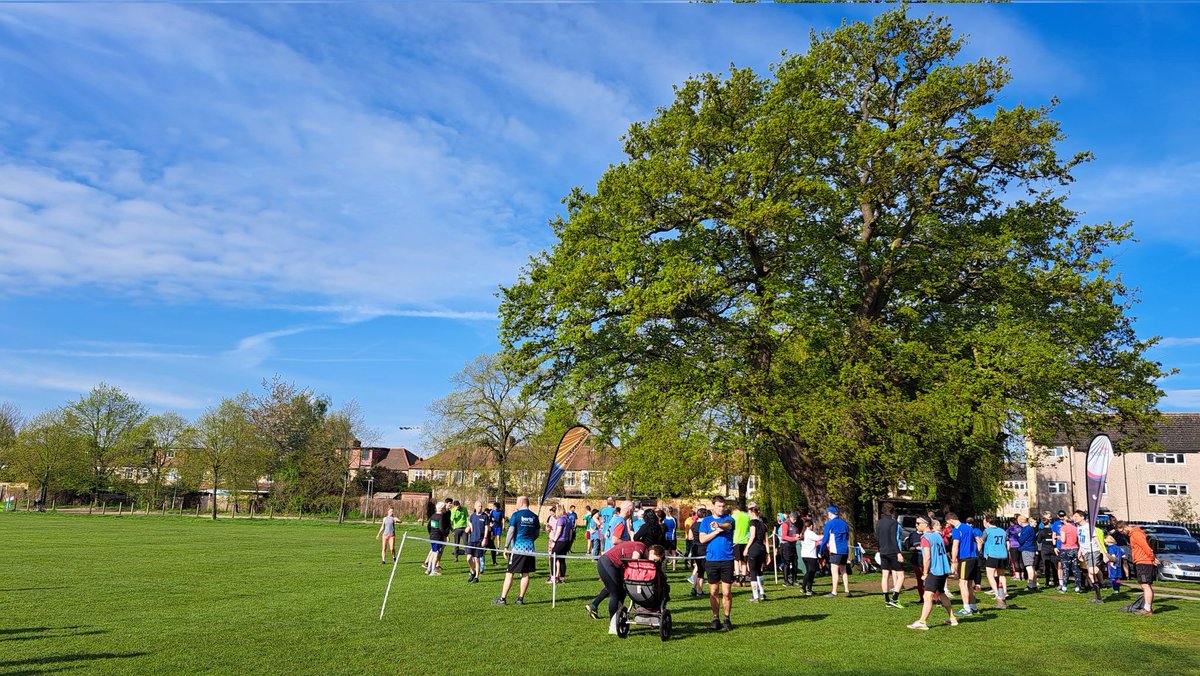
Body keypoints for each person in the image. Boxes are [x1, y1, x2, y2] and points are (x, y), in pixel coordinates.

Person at [585, 539, 666, 634]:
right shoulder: (641, 546)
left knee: (622, 592)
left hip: (615, 567)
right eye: (655, 560)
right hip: (607, 563)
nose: (654, 562)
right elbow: (634, 560)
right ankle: (613, 625)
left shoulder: (645, 553)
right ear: (651, 551)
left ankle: (618, 621)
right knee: (615, 593)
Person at [907, 516, 958, 630]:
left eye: (918, 523)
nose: (916, 525)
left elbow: (927, 557)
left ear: (925, 524)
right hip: (943, 569)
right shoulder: (937, 535)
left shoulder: (925, 537)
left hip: (935, 570)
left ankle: (922, 622)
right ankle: (952, 618)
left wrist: (925, 573)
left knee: (927, 596)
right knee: (941, 593)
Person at [493, 495, 540, 606]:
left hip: (518, 548)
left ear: (522, 503)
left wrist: (505, 547)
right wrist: (530, 540)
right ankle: (520, 599)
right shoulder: (534, 516)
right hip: (530, 549)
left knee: (509, 573)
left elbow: (511, 532)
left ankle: (502, 599)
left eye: (517, 502)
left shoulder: (516, 515)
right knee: (525, 573)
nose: (516, 504)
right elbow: (537, 533)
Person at [699, 496, 736, 630]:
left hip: (727, 559)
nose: (721, 509)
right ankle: (715, 618)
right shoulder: (706, 521)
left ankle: (727, 618)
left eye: (723, 506)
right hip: (712, 560)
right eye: (719, 506)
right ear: (713, 506)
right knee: (714, 591)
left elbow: (728, 526)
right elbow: (702, 539)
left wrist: (719, 525)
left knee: (726, 592)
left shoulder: (729, 518)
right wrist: (716, 532)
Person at [1116, 520, 1158, 615]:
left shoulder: (1136, 534)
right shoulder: (1133, 534)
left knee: (1145, 585)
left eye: (1122, 531)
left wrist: (1152, 558)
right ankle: (1146, 607)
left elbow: (1145, 546)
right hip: (1141, 561)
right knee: (1145, 585)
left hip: (1144, 561)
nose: (1123, 533)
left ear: (1125, 527)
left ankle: (1147, 609)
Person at [947, 513, 979, 615]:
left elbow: (955, 545)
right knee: (969, 584)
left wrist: (953, 561)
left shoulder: (956, 529)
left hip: (965, 558)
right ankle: (973, 606)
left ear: (950, 520)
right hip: (973, 557)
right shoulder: (969, 527)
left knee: (962, 583)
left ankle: (966, 608)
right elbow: (978, 540)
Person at [875, 502, 905, 608]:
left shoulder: (879, 523)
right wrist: (898, 553)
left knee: (885, 575)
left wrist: (879, 550)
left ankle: (887, 600)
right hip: (892, 551)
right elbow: (893, 539)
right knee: (901, 575)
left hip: (882, 551)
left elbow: (878, 538)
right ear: (892, 511)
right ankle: (895, 599)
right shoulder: (893, 522)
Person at [819, 506, 851, 597]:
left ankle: (834, 591)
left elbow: (825, 539)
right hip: (845, 550)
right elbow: (847, 536)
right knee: (843, 570)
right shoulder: (844, 524)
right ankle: (847, 590)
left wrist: (821, 550)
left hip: (836, 550)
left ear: (830, 513)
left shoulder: (830, 524)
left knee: (834, 570)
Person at [1073, 509, 1103, 602]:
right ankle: (1098, 596)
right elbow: (1081, 540)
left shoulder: (1089, 527)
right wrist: (1080, 551)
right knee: (1090, 574)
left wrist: (1103, 552)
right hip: (1085, 552)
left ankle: (1104, 561)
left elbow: (1096, 539)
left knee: (1092, 571)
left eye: (1076, 516)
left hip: (1093, 551)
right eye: (1074, 516)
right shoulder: (1078, 527)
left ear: (1082, 517)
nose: (1074, 518)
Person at [981, 515, 1010, 609]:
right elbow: (1007, 542)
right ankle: (1004, 592)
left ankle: (998, 594)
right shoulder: (1002, 531)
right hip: (1003, 554)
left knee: (990, 575)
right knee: (1001, 574)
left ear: (987, 522)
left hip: (993, 555)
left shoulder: (987, 531)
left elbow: (981, 541)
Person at [744, 504, 768, 602]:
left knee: (753, 572)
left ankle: (755, 596)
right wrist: (767, 553)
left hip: (754, 548)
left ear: (752, 513)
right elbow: (766, 540)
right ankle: (762, 593)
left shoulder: (752, 522)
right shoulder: (763, 524)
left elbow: (752, 535)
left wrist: (746, 548)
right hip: (762, 549)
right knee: (759, 571)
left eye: (749, 512)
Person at [1057, 513, 1081, 593]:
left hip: (1066, 549)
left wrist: (1059, 537)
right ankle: (1077, 586)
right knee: (1076, 568)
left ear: (1065, 520)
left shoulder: (1063, 528)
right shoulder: (1075, 528)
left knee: (1065, 569)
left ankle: (1064, 587)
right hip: (1075, 548)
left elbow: (1063, 540)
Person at [549, 504, 572, 583]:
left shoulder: (561, 519)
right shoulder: (568, 519)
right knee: (562, 559)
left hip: (560, 541)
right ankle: (562, 577)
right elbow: (570, 531)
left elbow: (559, 531)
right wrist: (569, 541)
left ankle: (553, 577)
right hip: (566, 542)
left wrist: (554, 541)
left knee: (553, 558)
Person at [424, 501, 449, 575]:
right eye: (444, 508)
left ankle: (428, 569)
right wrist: (446, 535)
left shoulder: (433, 515)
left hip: (432, 537)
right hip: (438, 538)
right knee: (436, 553)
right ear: (441, 508)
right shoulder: (441, 517)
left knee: (433, 552)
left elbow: (428, 526)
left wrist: (431, 533)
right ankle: (433, 571)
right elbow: (441, 528)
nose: (445, 509)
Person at [467, 501, 488, 583]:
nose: (480, 507)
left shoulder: (485, 516)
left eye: (481, 506)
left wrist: (485, 538)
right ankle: (473, 572)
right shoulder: (472, 515)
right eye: (479, 506)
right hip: (472, 540)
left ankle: (476, 577)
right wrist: (469, 527)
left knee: (477, 559)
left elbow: (486, 528)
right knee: (468, 558)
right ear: (475, 507)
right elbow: (469, 522)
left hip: (480, 540)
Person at [689, 506, 708, 597]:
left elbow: (690, 537)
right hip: (703, 548)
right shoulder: (705, 525)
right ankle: (699, 591)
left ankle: (694, 587)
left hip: (695, 548)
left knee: (699, 568)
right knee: (701, 570)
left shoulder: (693, 525)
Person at [1036, 514, 1059, 589]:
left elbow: (1039, 541)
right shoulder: (1053, 530)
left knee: (1046, 566)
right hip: (1052, 547)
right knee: (1054, 566)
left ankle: (1047, 582)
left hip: (1045, 548)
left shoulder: (1041, 531)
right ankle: (1056, 581)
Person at [800, 516, 821, 596]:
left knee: (809, 571)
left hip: (804, 555)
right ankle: (806, 588)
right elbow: (818, 538)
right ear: (811, 526)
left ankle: (806, 588)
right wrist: (825, 535)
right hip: (811, 555)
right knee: (811, 572)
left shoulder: (803, 533)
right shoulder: (809, 533)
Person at [731, 502, 751, 587]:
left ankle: (737, 579)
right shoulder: (748, 516)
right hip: (746, 540)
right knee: (744, 561)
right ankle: (743, 579)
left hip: (736, 540)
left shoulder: (734, 516)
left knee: (736, 560)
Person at [1016, 514, 1038, 591]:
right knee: (1032, 567)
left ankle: (1031, 585)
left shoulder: (1026, 529)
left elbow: (1021, 540)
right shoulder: (1030, 528)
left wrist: (1018, 536)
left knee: (1029, 567)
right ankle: (1034, 584)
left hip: (1027, 549)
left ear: (1021, 521)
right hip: (1031, 548)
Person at [779, 511, 799, 587]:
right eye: (794, 519)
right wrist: (793, 538)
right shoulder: (785, 524)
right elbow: (784, 536)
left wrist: (797, 535)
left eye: (796, 519)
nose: (795, 520)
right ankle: (786, 580)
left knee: (795, 563)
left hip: (793, 545)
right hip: (786, 545)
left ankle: (794, 580)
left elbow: (796, 532)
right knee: (786, 563)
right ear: (790, 517)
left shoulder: (795, 524)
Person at [489, 501, 505, 567]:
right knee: (493, 538)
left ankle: (498, 549)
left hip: (499, 527)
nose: (494, 507)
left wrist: (503, 525)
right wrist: (491, 523)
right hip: (494, 527)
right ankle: (493, 549)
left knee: (498, 538)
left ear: (497, 506)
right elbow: (490, 519)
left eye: (494, 506)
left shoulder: (501, 512)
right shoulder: (492, 511)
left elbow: (503, 519)